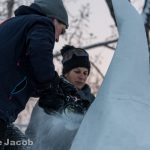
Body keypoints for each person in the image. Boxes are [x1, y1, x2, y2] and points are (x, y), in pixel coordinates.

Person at [0, 0, 77, 149]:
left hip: (3, 114)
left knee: (23, 146)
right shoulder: (42, 23)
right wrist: (50, 84)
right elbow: (40, 53)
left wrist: (56, 84)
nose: (57, 39)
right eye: (61, 31)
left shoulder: (12, 25)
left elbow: (21, 71)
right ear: (54, 19)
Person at [25, 45, 95, 149]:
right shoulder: (52, 95)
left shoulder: (92, 100)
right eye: (77, 71)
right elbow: (33, 131)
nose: (82, 76)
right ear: (66, 73)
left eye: (85, 73)